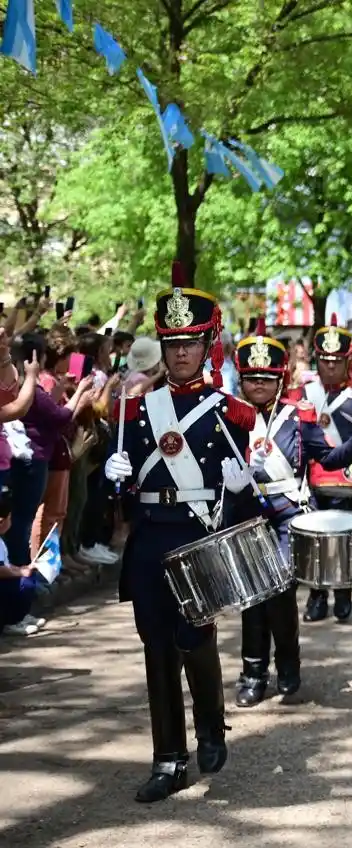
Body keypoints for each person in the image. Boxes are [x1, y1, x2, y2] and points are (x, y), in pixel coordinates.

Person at [102, 265, 259, 803]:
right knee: (155, 648)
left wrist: (241, 488)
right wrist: (113, 476)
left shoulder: (229, 413)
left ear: (207, 343)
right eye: (172, 344)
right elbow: (117, 496)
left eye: (190, 343)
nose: (181, 354)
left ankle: (212, 726)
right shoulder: (135, 409)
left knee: (195, 638)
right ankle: (168, 758)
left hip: (197, 535)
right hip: (149, 536)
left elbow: (241, 492)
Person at [230, 320, 352, 706]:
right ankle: (252, 673)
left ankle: (289, 664)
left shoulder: (297, 416)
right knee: (252, 597)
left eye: (265, 377)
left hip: (287, 515)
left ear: (279, 379)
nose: (258, 385)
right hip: (246, 513)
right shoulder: (229, 418)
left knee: (279, 591)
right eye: (251, 378)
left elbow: (327, 458)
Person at [299, 314, 352, 622]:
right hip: (311, 480)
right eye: (324, 360)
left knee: (344, 538)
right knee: (313, 538)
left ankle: (343, 592)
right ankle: (316, 595)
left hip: (347, 480)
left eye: (336, 361)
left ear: (348, 361)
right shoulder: (305, 395)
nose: (330, 366)